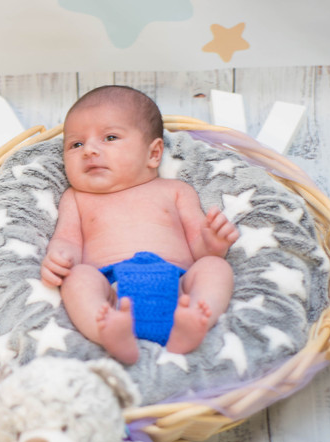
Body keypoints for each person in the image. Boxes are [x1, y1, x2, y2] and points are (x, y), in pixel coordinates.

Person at [41, 86, 239, 364]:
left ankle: (192, 321)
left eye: (110, 137)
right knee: (78, 279)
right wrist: (60, 258)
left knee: (215, 267)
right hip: (111, 291)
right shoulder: (76, 198)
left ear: (153, 154)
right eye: (76, 145)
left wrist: (213, 244)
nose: (89, 150)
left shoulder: (176, 190)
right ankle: (108, 333)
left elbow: (199, 249)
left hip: (179, 286)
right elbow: (67, 239)